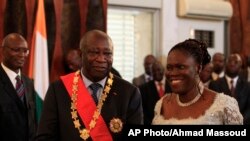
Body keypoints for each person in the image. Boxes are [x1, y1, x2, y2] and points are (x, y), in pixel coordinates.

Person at [36, 30, 143, 141]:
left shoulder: (129, 93)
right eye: (94, 52)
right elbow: (45, 137)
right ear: (81, 54)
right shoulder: (58, 90)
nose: (101, 59)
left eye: (107, 53)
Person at [152, 39, 243, 125]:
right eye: (169, 68)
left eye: (181, 67)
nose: (173, 73)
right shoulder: (162, 104)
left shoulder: (225, 106)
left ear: (198, 68)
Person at [0, 33, 37, 141]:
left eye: (25, 51)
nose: (22, 55)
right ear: (3, 51)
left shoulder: (29, 83)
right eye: (16, 50)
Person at [209, 53, 250, 124]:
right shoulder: (214, 84)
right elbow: (213, 107)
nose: (232, 64)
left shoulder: (247, 85)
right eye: (230, 61)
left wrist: (239, 121)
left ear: (240, 65)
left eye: (236, 62)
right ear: (225, 64)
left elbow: (249, 108)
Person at [139, 60, 171, 125]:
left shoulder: (172, 86)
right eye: (153, 71)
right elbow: (142, 111)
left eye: (159, 70)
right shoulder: (143, 88)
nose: (156, 72)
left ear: (163, 70)